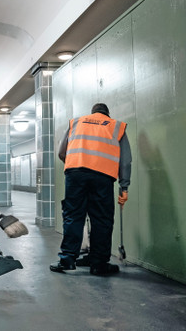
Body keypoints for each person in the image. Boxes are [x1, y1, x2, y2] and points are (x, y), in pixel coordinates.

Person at [50, 103, 132, 276]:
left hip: (75, 174)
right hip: (102, 176)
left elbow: (61, 151)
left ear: (92, 113)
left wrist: (76, 166)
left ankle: (67, 260)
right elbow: (125, 161)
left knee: (73, 216)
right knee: (101, 219)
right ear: (107, 114)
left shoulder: (77, 122)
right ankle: (98, 264)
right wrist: (124, 186)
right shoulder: (116, 126)